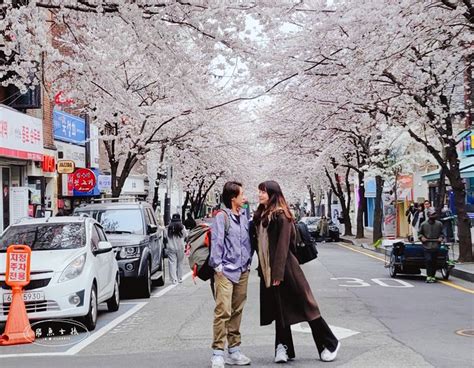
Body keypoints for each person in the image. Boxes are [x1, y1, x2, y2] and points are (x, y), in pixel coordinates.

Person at [251, 181, 339, 363]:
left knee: (306, 307)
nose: (259, 194)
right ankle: (282, 347)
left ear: (273, 194)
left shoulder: (281, 216)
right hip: (269, 270)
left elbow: (283, 247)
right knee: (279, 309)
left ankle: (329, 343)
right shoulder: (261, 216)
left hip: (286, 270)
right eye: (259, 191)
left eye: (263, 192)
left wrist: (278, 274)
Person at [208, 181, 252, 368]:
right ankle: (218, 352)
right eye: (242, 194)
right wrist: (218, 266)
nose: (245, 197)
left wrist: (248, 262)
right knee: (223, 311)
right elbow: (217, 241)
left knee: (237, 311)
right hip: (225, 271)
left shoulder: (243, 215)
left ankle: (234, 350)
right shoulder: (221, 217)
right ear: (233, 198)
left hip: (243, 270)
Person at [418, 208, 444, 283]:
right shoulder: (423, 224)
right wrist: (422, 238)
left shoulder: (439, 224)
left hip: (436, 246)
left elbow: (442, 233)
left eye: (435, 214)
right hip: (427, 246)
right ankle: (429, 276)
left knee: (434, 262)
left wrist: (440, 238)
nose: (434, 215)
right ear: (428, 215)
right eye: (432, 214)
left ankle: (433, 276)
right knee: (428, 260)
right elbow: (419, 233)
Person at [165, 214, 187, 284]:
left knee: (172, 263)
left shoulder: (168, 227)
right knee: (180, 263)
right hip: (180, 247)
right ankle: (180, 278)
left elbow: (165, 236)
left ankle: (174, 279)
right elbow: (185, 235)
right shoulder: (182, 227)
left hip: (171, 247)